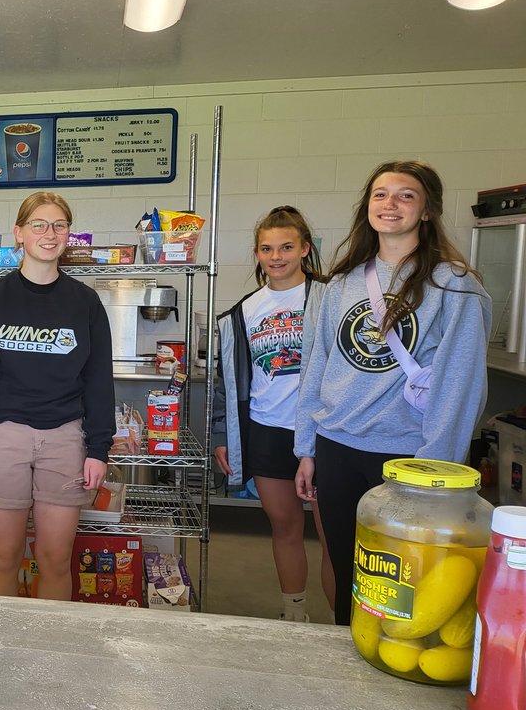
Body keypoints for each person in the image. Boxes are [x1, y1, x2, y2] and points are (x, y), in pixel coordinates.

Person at [293, 161, 492, 625]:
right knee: (348, 572)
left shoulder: (454, 284)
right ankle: (349, 654)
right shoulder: (339, 284)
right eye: (381, 194)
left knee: (402, 582)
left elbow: (459, 385)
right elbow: (316, 367)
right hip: (337, 447)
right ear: (367, 206)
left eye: (406, 195)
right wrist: (305, 448)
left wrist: (434, 465)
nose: (391, 204)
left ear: (426, 211)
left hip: (408, 457)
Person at [0, 191, 114, 601]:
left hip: (65, 437)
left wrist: (99, 447)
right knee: (5, 555)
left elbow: (99, 379)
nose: (49, 233)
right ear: (19, 234)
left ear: (68, 235)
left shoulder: (85, 303)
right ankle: (0, 649)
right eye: (39, 225)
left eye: (59, 225)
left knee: (56, 558)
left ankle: (51, 653)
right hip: (5, 437)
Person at [211, 206, 331, 622]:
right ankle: (294, 613)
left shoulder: (328, 297)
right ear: (257, 254)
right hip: (267, 429)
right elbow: (228, 381)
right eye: (267, 248)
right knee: (284, 526)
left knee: (333, 534)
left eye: (286, 247)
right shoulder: (245, 311)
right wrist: (223, 434)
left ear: (305, 249)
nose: (276, 256)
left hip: (323, 432)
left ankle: (344, 624)